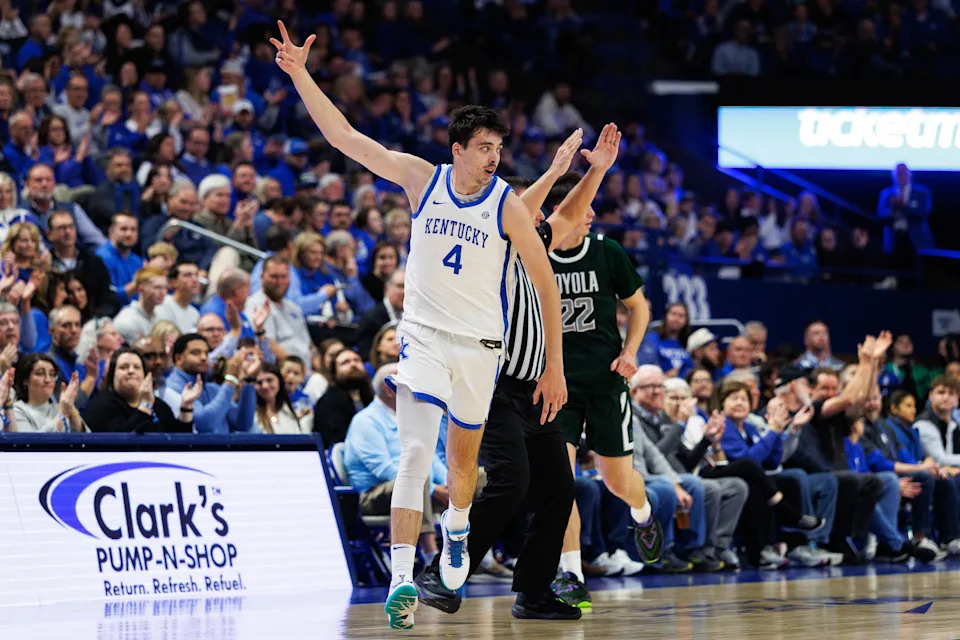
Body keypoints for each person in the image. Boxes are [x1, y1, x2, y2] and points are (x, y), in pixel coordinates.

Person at [272, 22, 566, 630]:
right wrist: (301, 73)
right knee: (412, 454)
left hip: (481, 347)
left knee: (463, 473)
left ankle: (457, 528)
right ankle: (403, 577)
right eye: (484, 147)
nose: (494, 158)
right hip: (424, 337)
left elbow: (544, 284)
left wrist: (554, 366)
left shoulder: (507, 203)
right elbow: (348, 138)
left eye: (498, 149)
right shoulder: (420, 178)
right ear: (457, 148)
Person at [416, 127, 621, 619]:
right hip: (492, 384)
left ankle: (532, 591)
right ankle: (440, 573)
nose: (544, 220)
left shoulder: (539, 248)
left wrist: (596, 171)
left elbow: (569, 216)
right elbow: (534, 210)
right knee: (510, 481)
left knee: (558, 489)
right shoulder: (497, 243)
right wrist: (555, 171)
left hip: (536, 390)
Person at [542, 167, 663, 603]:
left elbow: (640, 307)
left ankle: (643, 512)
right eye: (584, 204)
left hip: (607, 382)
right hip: (557, 387)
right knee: (560, 482)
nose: (591, 213)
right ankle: (571, 572)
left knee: (616, 481)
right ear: (561, 210)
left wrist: (630, 352)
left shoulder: (607, 251)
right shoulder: (536, 255)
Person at [83, 348, 200, 433]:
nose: (131, 371)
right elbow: (124, 443)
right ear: (112, 375)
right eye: (123, 367)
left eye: (137, 367)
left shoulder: (159, 406)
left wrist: (186, 407)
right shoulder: (100, 405)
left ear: (145, 375)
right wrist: (145, 405)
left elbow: (180, 442)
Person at [12, 353, 86, 432]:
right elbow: (30, 442)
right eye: (40, 373)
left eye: (52, 374)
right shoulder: (16, 411)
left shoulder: (61, 408)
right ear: (25, 380)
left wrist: (71, 407)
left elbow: (88, 440)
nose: (48, 380)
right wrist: (61, 415)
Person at [253, 363, 312, 434]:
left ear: (279, 381)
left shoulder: (287, 409)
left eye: (269, 380)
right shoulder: (251, 414)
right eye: (259, 382)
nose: (265, 386)